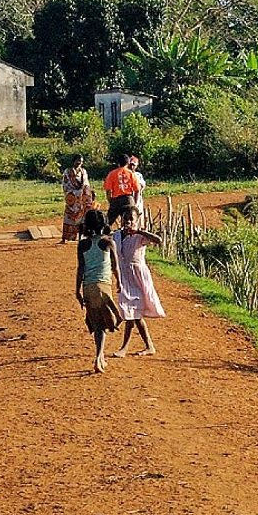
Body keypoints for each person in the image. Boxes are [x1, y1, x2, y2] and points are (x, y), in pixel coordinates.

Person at [73, 207, 123, 373]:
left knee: (96, 324)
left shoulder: (82, 244)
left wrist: (77, 291)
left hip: (88, 287)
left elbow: (81, 268)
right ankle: (98, 356)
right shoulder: (109, 242)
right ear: (104, 225)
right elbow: (115, 267)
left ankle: (100, 357)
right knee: (107, 322)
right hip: (103, 287)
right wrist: (119, 283)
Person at [111, 203, 165, 356]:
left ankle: (124, 347)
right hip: (124, 277)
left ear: (137, 220)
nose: (128, 222)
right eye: (125, 219)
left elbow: (158, 240)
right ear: (121, 220)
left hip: (138, 277)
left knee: (132, 313)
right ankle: (149, 346)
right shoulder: (117, 236)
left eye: (131, 220)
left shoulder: (140, 237)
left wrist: (139, 231)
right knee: (133, 313)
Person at [61, 156, 97, 244]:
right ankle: (65, 237)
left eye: (81, 162)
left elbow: (86, 184)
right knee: (69, 217)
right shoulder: (67, 172)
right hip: (72, 199)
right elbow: (66, 185)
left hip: (81, 199)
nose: (79, 163)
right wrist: (76, 193)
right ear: (73, 161)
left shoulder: (83, 171)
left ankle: (80, 237)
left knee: (82, 218)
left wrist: (86, 193)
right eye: (78, 161)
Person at [104, 155, 146, 222]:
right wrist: (134, 203)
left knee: (108, 222)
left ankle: (104, 231)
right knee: (131, 221)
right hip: (128, 199)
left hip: (116, 200)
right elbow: (137, 190)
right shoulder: (131, 173)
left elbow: (108, 190)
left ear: (118, 163)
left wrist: (111, 201)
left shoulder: (112, 174)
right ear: (128, 163)